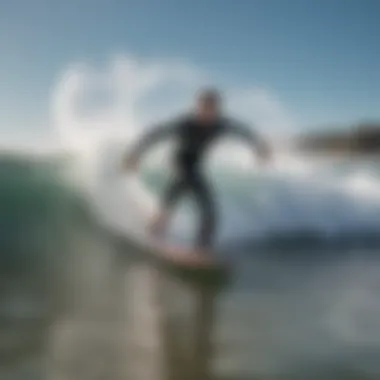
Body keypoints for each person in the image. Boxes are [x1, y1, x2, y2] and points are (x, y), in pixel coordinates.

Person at [124, 88, 271, 252]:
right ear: (198, 107)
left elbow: (242, 131)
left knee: (195, 207)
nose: (208, 112)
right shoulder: (186, 124)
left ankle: (194, 247)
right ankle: (167, 238)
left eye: (212, 108)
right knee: (197, 205)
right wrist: (135, 154)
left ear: (217, 109)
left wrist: (259, 146)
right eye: (204, 107)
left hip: (195, 167)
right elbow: (156, 134)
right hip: (180, 164)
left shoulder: (220, 125)